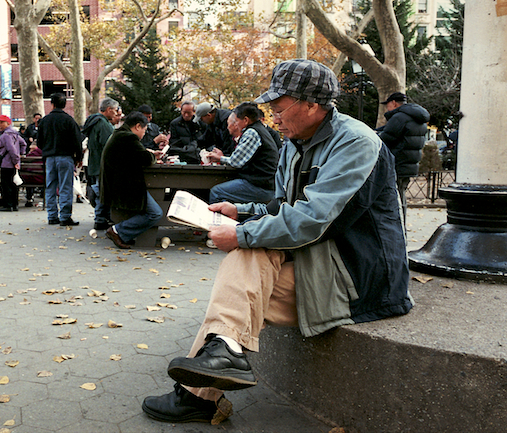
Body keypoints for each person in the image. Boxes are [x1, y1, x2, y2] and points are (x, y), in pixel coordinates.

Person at [141, 59, 412, 424]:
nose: (274, 118)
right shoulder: (295, 142)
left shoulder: (358, 143)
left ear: (312, 104)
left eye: (279, 109)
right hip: (313, 261)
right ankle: (222, 356)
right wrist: (240, 212)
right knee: (240, 277)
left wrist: (240, 233)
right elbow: (283, 205)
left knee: (241, 268)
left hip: (358, 278)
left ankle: (203, 387)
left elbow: (313, 218)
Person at [101, 112, 165, 249]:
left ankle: (123, 233)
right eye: (144, 130)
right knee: (155, 213)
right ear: (137, 126)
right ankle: (118, 231)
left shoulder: (120, 134)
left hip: (116, 183)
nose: (144, 134)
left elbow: (137, 153)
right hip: (122, 186)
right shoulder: (127, 137)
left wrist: (150, 153)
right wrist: (153, 156)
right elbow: (145, 159)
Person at [206, 103, 279, 205]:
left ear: (245, 120)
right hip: (266, 183)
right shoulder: (260, 129)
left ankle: (219, 219)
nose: (235, 124)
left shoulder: (252, 133)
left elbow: (235, 162)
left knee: (217, 192)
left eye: (236, 121)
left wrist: (219, 158)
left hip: (261, 185)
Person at [376, 92, 429, 223]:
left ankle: (398, 226)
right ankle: (401, 224)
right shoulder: (416, 117)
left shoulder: (399, 117)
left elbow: (386, 138)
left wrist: (375, 135)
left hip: (397, 162)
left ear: (393, 103)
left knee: (396, 197)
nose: (387, 108)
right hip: (410, 163)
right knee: (401, 193)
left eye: (387, 105)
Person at [38, 93, 84, 226]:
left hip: (49, 157)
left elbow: (40, 142)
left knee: (50, 186)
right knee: (65, 186)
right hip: (65, 156)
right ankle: (65, 216)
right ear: (64, 104)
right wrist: (78, 157)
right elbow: (77, 141)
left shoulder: (44, 121)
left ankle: (52, 215)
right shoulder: (69, 120)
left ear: (52, 104)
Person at [83, 98, 119, 230]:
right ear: (109, 110)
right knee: (103, 192)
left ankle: (101, 217)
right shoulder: (104, 125)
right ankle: (100, 218)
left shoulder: (94, 122)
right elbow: (109, 145)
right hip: (103, 164)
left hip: (94, 161)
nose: (116, 114)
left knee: (100, 191)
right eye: (115, 111)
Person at [0, 115, 24, 212]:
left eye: (2, 122)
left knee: (6, 184)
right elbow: (24, 144)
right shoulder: (16, 134)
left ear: (8, 123)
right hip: (14, 163)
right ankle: (15, 204)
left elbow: (11, 149)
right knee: (13, 185)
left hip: (7, 163)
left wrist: (15, 160)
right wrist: (20, 155)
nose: (0, 125)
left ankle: (8, 205)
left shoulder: (5, 135)